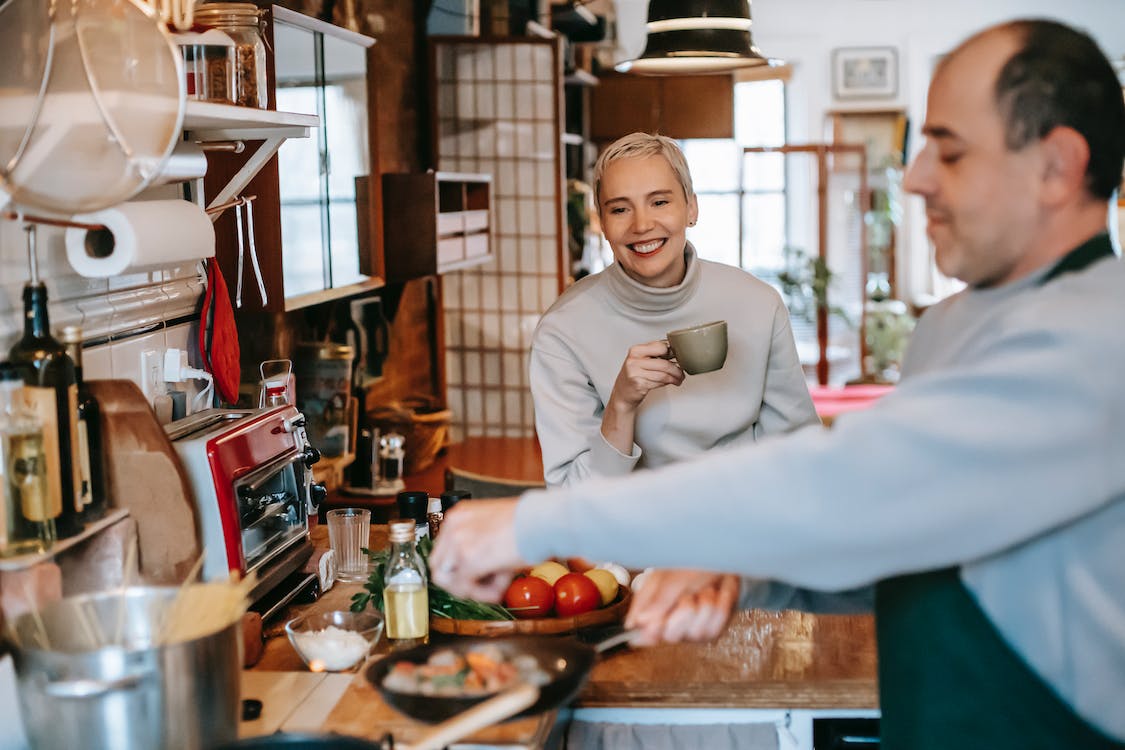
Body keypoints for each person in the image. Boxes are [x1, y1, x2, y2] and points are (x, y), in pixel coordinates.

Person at [431, 18, 1125, 749]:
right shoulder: (947, 328)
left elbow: (850, 477)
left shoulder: (1097, 339)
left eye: (947, 151)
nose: (915, 177)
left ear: (1055, 167)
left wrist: (533, 524)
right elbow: (889, 539)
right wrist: (736, 571)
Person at [531, 132, 819, 488]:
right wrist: (621, 404)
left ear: (692, 207)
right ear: (602, 224)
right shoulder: (563, 331)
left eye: (659, 202)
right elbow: (570, 498)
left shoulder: (758, 303)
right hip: (633, 537)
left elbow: (798, 452)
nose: (641, 225)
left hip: (745, 527)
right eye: (620, 209)